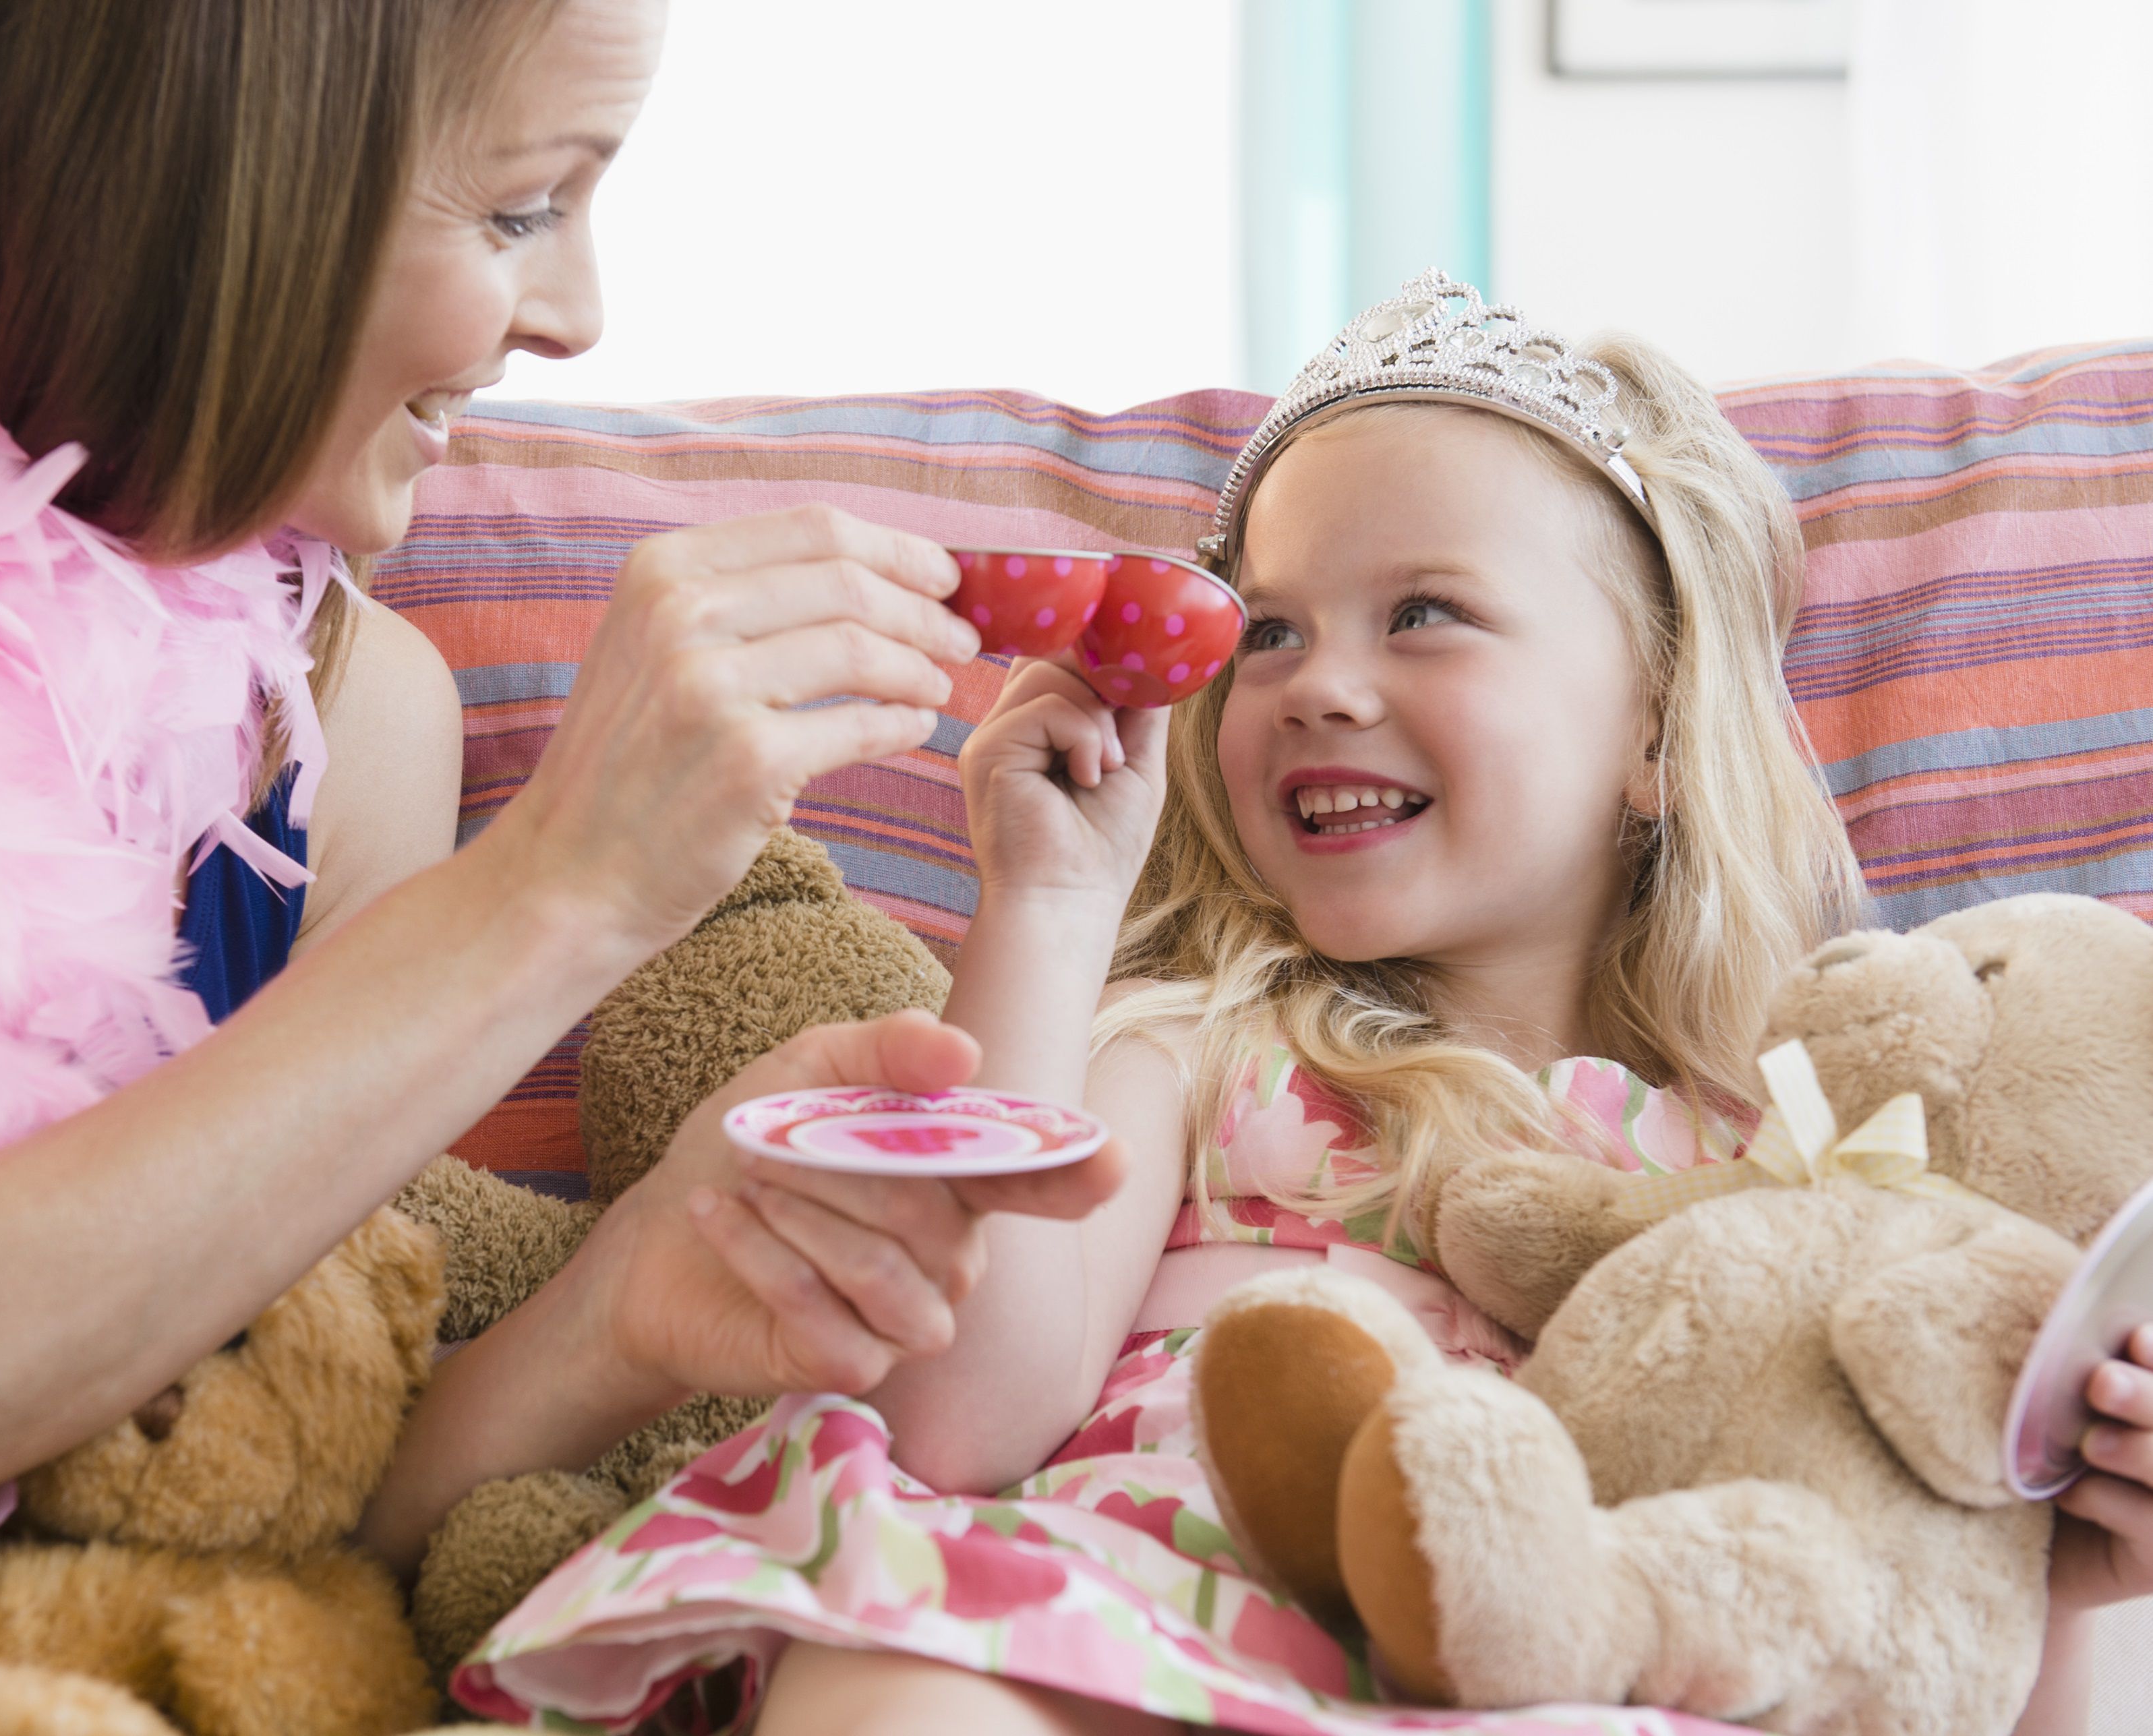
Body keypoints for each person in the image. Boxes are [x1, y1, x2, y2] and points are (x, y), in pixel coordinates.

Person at [0, 1, 1123, 1725]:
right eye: (525, 206)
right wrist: (558, 889)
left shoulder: (343, 718)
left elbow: (243, 1520)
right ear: (223, 164)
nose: (579, 315)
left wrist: (633, 1300)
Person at [457, 278, 2153, 1735]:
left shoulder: (1804, 1143)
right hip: (1148, 1630)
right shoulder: (1201, 1050)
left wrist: (2062, 1549)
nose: (1319, 684)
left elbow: (1934, 1653)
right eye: (1264, 630)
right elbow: (954, 1427)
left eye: (1426, 614)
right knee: (888, 1667)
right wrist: (1049, 901)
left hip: (1574, 1653)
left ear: (1652, 729)